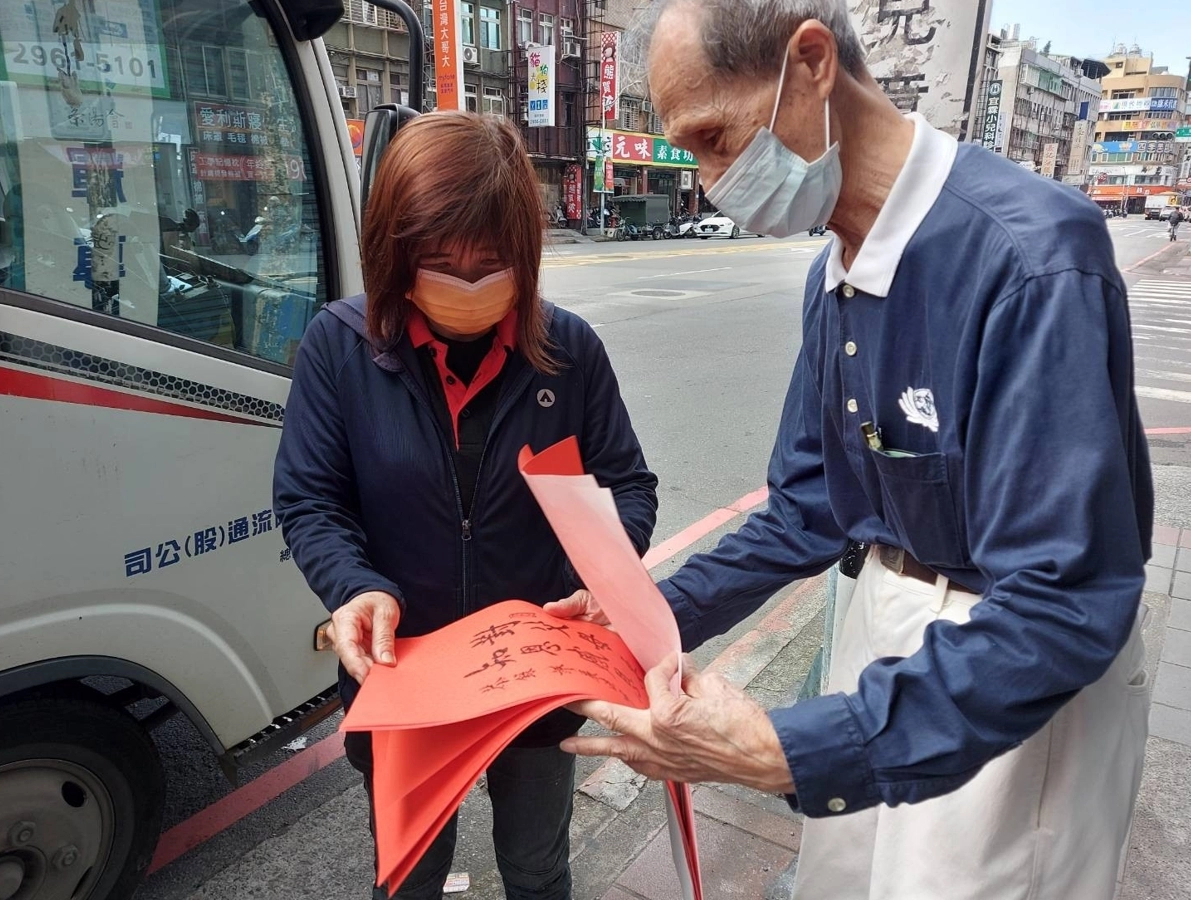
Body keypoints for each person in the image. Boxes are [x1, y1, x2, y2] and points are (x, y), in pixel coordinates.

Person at [547, 2, 1153, 899]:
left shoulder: (1027, 256)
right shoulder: (832, 273)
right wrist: (647, 614)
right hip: (879, 624)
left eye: (716, 137)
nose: (713, 180)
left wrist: (788, 749)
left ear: (811, 62)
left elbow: (1063, 599)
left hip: (1008, 672)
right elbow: (807, 505)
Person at [274, 110, 658, 900]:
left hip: (535, 675)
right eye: (440, 261)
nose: (469, 282)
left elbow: (629, 485)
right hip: (406, 674)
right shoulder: (339, 348)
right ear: (395, 253)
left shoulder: (569, 351)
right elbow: (311, 496)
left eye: (491, 262)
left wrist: (604, 575)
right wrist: (353, 586)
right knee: (409, 876)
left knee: (537, 865)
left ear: (525, 254)